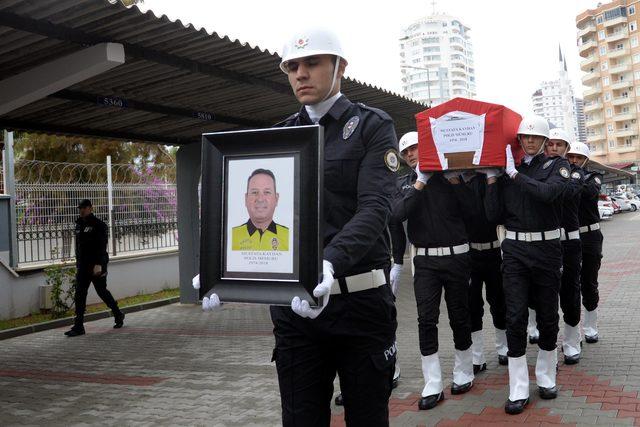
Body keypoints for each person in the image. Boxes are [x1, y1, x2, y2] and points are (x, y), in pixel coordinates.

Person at [485, 115, 570, 414]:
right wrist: (493, 179)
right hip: (516, 249)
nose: (530, 141)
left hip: (546, 249)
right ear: (519, 140)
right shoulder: (511, 172)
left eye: (536, 137)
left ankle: (546, 375)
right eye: (525, 137)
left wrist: (513, 175)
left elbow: (548, 194)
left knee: (547, 315)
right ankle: (518, 387)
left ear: (546, 142)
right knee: (516, 315)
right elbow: (493, 215)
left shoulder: (557, 166)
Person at [391, 161, 476, 410]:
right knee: (426, 320)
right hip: (425, 260)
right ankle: (433, 382)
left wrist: (456, 181)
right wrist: (420, 182)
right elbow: (397, 214)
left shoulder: (450, 176)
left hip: (456, 256)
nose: (411, 154)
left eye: (415, 148)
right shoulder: (406, 183)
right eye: (406, 152)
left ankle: (464, 371)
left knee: (459, 316)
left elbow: (473, 211)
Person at [462, 170, 508, 372]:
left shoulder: (488, 179)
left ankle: (503, 348)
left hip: (493, 250)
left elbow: (493, 213)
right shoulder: (455, 182)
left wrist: (490, 179)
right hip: (469, 254)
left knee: (498, 301)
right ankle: (477, 357)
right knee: (472, 305)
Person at [544, 128, 584, 364]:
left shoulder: (576, 173)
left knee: (570, 292)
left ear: (567, 149)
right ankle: (548, 342)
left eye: (560, 144)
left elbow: (564, 193)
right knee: (545, 295)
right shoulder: (539, 170)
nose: (555, 148)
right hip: (546, 242)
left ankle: (571, 342)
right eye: (551, 144)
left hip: (569, 241)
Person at [64, 199, 124, 337]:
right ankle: (79, 326)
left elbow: (102, 246)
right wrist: (78, 263)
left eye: (84, 208)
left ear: (91, 208)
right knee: (79, 294)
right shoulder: (78, 224)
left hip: (96, 265)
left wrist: (99, 264)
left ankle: (118, 314)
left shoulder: (99, 225)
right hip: (83, 266)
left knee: (101, 291)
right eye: (80, 208)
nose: (81, 210)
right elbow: (79, 247)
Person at [566, 141, 603, 344]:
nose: (574, 161)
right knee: (570, 285)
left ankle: (591, 327)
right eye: (571, 157)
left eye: (578, 158)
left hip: (590, 236)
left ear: (585, 160)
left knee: (589, 282)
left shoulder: (593, 177)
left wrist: (574, 179)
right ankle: (573, 333)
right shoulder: (561, 176)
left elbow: (589, 193)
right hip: (570, 236)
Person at [231, 168, 289, 251]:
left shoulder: (290, 237)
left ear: (276, 199)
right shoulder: (230, 237)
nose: (260, 199)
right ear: (246, 199)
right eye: (254, 192)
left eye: (267, 192)